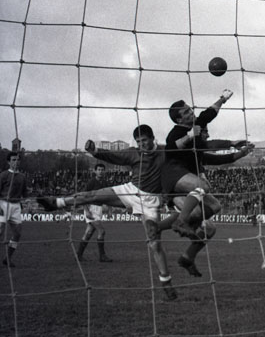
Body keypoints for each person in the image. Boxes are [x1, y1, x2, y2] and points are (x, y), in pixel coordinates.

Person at [37, 125, 177, 300]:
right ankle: (56, 203)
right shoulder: (134, 153)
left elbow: (182, 157)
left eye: (144, 140)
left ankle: (166, 282)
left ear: (153, 138)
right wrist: (95, 151)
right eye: (138, 141)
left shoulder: (165, 152)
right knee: (92, 195)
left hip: (150, 201)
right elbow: (114, 156)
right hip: (130, 191)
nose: (142, 144)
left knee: (154, 243)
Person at [160, 124, 254, 278]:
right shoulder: (185, 150)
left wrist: (242, 153)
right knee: (196, 213)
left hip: (192, 191)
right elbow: (210, 146)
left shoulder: (198, 155)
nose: (208, 135)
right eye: (206, 132)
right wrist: (231, 143)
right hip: (176, 190)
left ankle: (187, 258)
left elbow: (220, 158)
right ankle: (162, 226)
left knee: (210, 226)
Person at [162, 90, 233, 239]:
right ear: (179, 120)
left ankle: (167, 230)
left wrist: (223, 99)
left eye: (189, 109)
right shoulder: (176, 133)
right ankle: (181, 222)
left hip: (187, 179)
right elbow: (170, 148)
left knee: (214, 207)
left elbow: (209, 113)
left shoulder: (197, 126)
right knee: (203, 186)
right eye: (186, 112)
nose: (191, 112)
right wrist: (189, 136)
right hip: (173, 176)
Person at [76, 163, 113, 262]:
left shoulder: (105, 183)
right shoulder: (91, 182)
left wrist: (109, 210)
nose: (100, 171)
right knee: (101, 231)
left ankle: (78, 255)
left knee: (88, 233)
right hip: (91, 209)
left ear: (104, 171)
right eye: (99, 170)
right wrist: (86, 211)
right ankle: (102, 256)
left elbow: (109, 198)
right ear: (95, 171)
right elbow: (83, 197)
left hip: (99, 209)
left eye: (102, 170)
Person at [0, 152, 28, 267]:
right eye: (13, 160)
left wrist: (27, 204)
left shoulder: (22, 177)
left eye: (18, 160)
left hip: (16, 206)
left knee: (17, 234)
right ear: (8, 162)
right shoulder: (3, 175)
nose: (16, 162)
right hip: (3, 204)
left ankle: (7, 258)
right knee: (0, 231)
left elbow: (25, 193)